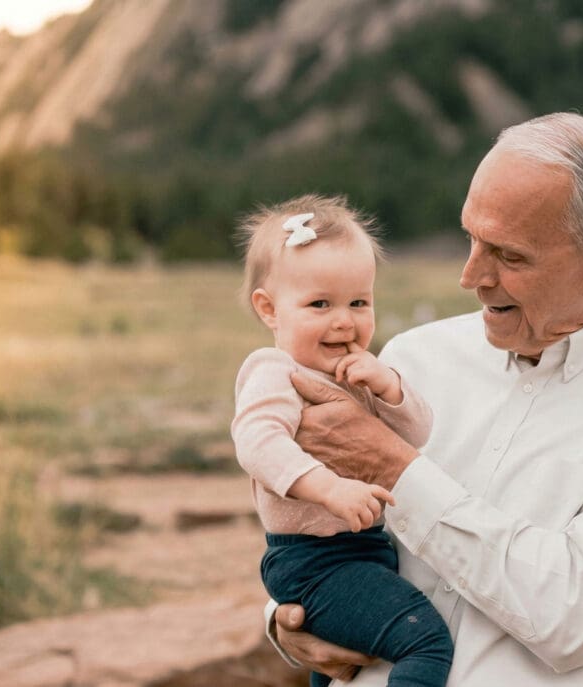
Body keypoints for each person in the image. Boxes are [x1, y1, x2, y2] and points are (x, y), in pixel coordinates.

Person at [268, 114, 583, 685]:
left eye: (509, 256)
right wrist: (286, 618)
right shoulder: (416, 357)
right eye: (471, 238)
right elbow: (319, 526)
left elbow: (579, 613)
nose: (471, 276)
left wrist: (396, 469)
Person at [231, 195, 453, 687]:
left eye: (359, 302)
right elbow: (258, 442)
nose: (344, 321)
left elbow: (414, 435)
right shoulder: (276, 371)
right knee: (424, 642)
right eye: (319, 305)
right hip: (315, 558)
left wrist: (390, 388)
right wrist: (329, 487)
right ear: (269, 310)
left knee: (343, 672)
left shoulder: (358, 371)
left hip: (364, 551)